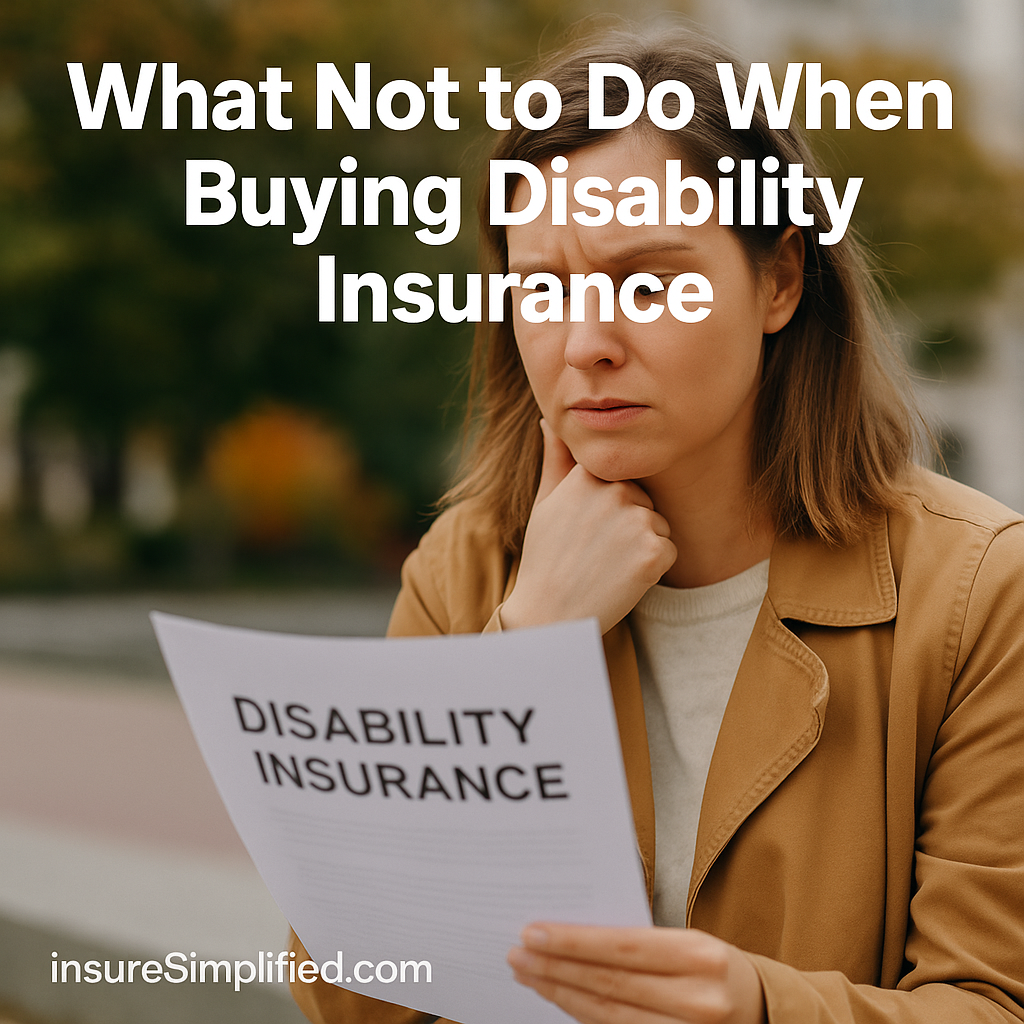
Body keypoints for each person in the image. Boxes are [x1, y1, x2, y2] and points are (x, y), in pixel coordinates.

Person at [289, 25, 1024, 1024]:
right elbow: (352, 996)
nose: (585, 342)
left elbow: (990, 1002)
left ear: (778, 280)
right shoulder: (469, 570)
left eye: (646, 280)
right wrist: (526, 647)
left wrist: (755, 1009)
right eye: (541, 287)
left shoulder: (978, 593)